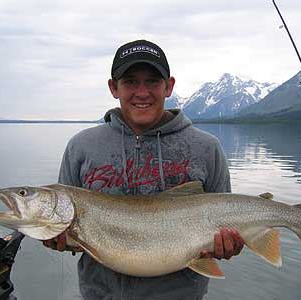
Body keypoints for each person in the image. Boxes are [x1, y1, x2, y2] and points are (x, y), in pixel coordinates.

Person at [43, 39, 244, 300]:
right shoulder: (80, 147)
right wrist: (59, 238)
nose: (142, 92)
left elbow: (225, 220)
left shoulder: (206, 148)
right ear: (113, 87)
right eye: (130, 81)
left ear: (169, 86)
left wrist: (226, 246)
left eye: (152, 81)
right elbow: (75, 235)